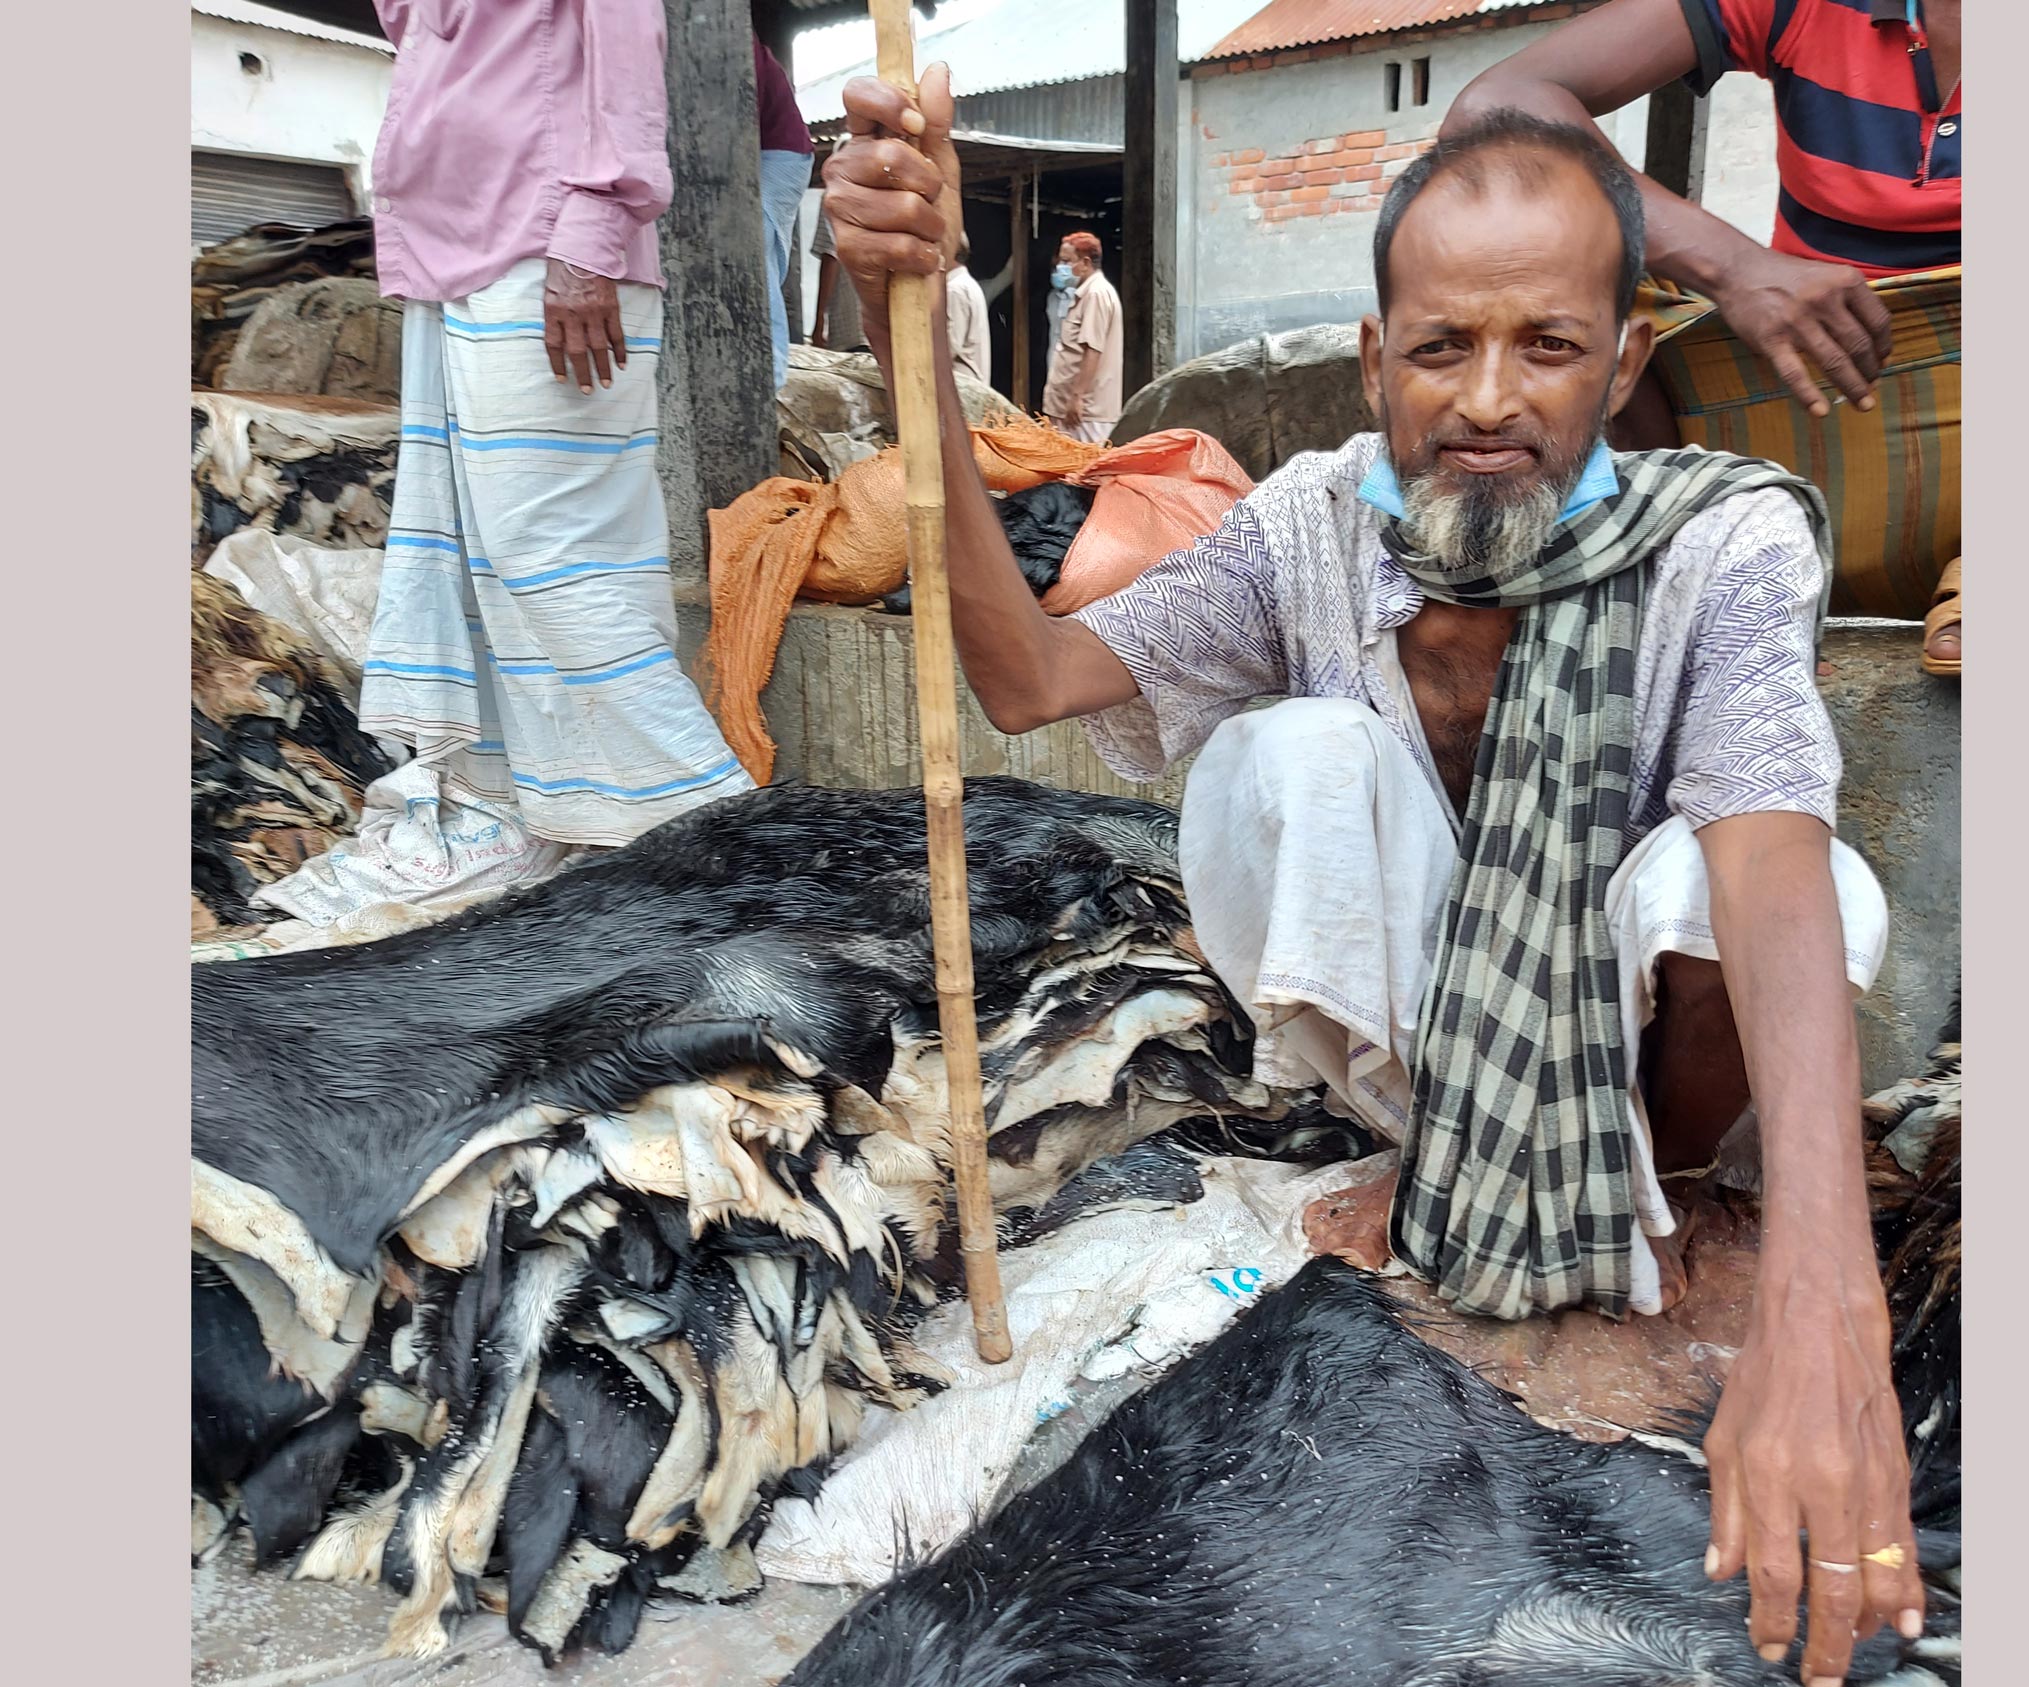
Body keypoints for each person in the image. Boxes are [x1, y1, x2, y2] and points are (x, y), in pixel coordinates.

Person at [826, 66, 1922, 1686]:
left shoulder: (1724, 536)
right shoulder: (1315, 526)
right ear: (1373, 361)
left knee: (1796, 882)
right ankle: (1432, 1167)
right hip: (1435, 1072)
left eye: (1547, 347)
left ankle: (1674, 1205)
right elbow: (1032, 681)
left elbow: (1767, 857)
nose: (1489, 398)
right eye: (1440, 348)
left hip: (1648, 1067)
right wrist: (910, 347)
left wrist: (1835, 1317)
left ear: (1624, 360)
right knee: (1286, 763)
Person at [344, 0, 752, 851]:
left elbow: (628, 58)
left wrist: (588, 240)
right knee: (504, 556)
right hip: (461, 252)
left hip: (546, 250)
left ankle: (718, 830)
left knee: (546, 553)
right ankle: (586, 831)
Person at [1451, 0, 1963, 675]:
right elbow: (1494, 107)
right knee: (1549, 246)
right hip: (1788, 458)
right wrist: (1737, 267)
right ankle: (1683, 563)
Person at [753, 26, 814, 392]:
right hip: (761, 144)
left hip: (780, 151)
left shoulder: (729, 35)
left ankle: (770, 378)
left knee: (755, 248)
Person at [1042, 230, 1123, 442]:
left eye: (1067, 262)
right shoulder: (1085, 293)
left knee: (1082, 472)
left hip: (1084, 414)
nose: (1061, 268)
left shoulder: (1096, 294)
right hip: (1071, 409)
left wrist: (1076, 398)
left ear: (1085, 263)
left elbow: (1092, 350)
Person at [808, 153, 872, 354]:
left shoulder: (834, 198)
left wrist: (819, 322)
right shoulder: (880, 197)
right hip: (880, 321)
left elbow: (830, 258)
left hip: (849, 324)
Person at [942, 238, 992, 388]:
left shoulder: (954, 290)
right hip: (972, 383)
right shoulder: (967, 284)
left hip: (963, 385)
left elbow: (950, 346)